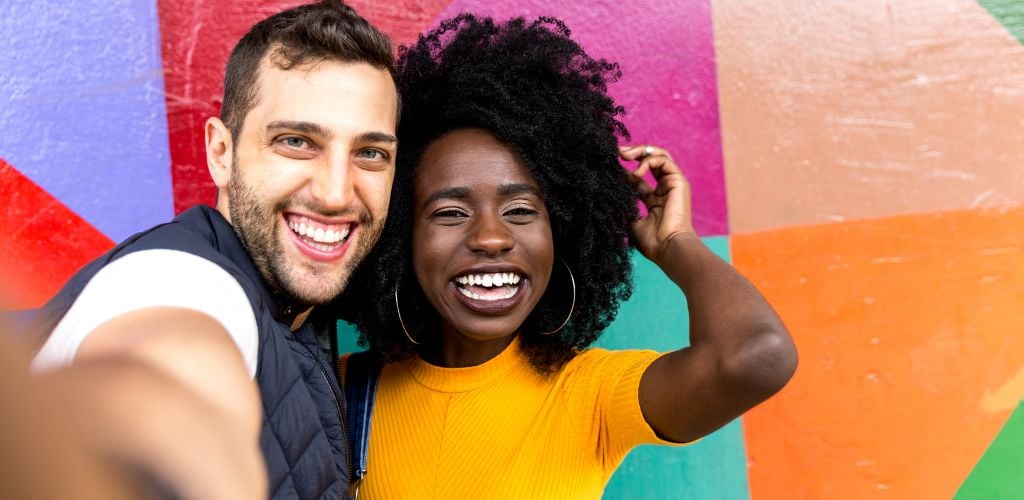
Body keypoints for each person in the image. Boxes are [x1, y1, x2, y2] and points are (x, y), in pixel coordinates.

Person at [339, 14, 798, 498]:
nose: (491, 237)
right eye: (450, 212)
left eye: (520, 210)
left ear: (561, 232)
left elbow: (756, 358)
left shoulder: (589, 395)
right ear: (397, 235)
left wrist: (674, 243)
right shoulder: (347, 389)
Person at [26, 1, 398, 498]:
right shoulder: (183, 283)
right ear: (220, 153)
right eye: (296, 141)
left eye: (370, 154)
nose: (336, 193)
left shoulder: (302, 314)